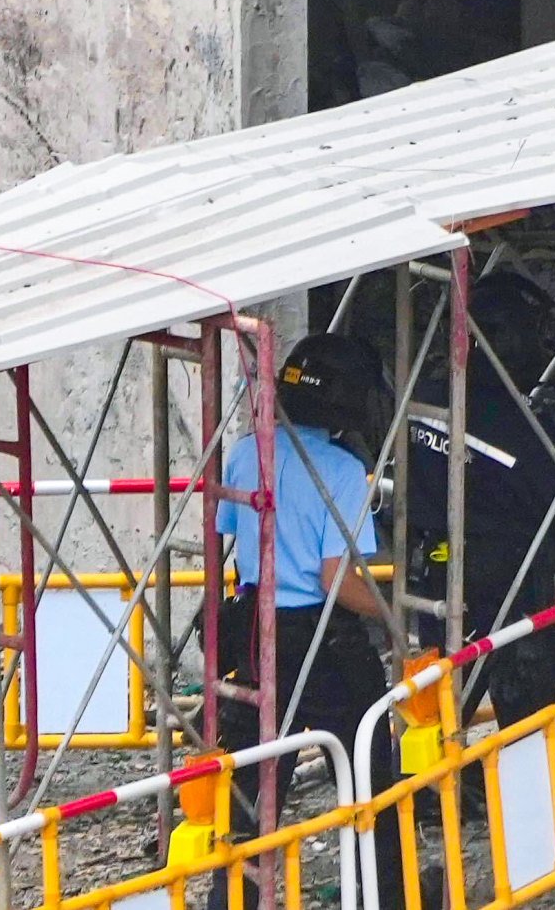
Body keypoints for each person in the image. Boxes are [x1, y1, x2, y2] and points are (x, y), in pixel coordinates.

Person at [221, 329, 406, 910]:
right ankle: (378, 895)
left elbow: (232, 539)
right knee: (366, 765)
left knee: (250, 774)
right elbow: (336, 581)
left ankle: (234, 898)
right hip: (318, 634)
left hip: (253, 626)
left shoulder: (246, 451)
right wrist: (392, 619)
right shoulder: (345, 471)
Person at [398, 274, 555, 733]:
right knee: (527, 708)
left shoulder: (422, 399)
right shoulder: (521, 425)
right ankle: (534, 802)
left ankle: (425, 799)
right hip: (512, 576)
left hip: (433, 569)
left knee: (437, 703)